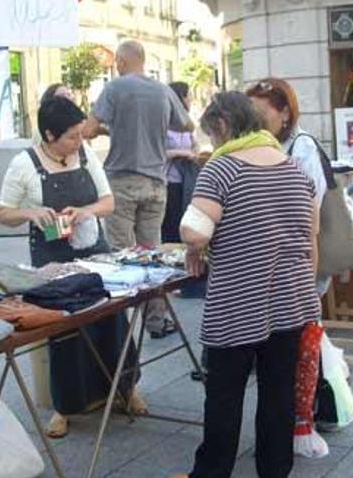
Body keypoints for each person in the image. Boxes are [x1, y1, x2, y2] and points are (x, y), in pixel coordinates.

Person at [175, 91, 320, 478]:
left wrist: (197, 239)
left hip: (238, 301)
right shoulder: (294, 170)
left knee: (224, 395)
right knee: (278, 395)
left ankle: (212, 472)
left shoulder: (222, 169)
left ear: (223, 126)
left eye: (211, 135)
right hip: (291, 298)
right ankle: (274, 470)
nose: (212, 144)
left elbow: (194, 232)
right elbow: (311, 235)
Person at [0, 96, 144, 438]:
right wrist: (31, 214)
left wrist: (86, 211)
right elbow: (3, 213)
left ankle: (126, 388)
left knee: (112, 318)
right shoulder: (24, 163)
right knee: (63, 329)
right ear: (49, 135)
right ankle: (64, 407)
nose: (80, 141)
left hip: (93, 250)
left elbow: (108, 203)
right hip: (52, 256)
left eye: (81, 134)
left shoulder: (85, 155)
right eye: (72, 136)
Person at [83, 40, 194, 338]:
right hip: (157, 183)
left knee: (121, 255)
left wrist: (114, 127)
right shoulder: (162, 90)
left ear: (120, 61)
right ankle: (156, 321)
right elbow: (187, 125)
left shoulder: (114, 89)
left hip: (121, 181)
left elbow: (88, 130)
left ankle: (122, 329)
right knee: (151, 252)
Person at [245, 77, 328, 290]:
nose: (255, 121)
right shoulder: (257, 146)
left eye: (261, 114)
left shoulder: (303, 148)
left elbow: (311, 223)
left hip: (293, 267)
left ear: (285, 113)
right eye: (250, 114)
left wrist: (307, 290)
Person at [161, 81, 200, 244]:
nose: (191, 99)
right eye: (188, 95)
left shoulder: (187, 123)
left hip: (187, 181)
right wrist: (180, 153)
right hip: (169, 181)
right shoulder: (163, 122)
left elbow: (194, 143)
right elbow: (157, 153)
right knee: (171, 226)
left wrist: (196, 151)